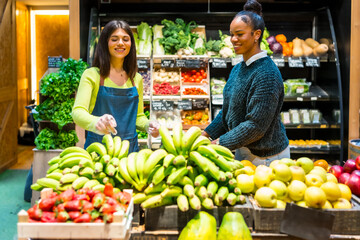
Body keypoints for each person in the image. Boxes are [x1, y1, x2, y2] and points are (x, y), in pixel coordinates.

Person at [203, 0, 289, 166]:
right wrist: (205, 135)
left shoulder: (267, 74)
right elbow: (227, 112)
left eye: (239, 34)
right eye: (232, 34)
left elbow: (255, 126)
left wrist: (218, 144)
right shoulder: (238, 69)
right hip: (243, 148)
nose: (233, 39)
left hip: (268, 157)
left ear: (256, 34)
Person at [72, 20, 159, 152]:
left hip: (130, 151)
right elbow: (78, 112)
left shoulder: (136, 79)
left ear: (131, 44)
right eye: (114, 39)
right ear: (105, 43)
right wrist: (96, 122)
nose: (120, 43)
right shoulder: (92, 75)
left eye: (125, 39)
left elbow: (138, 117)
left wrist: (148, 125)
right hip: (99, 149)